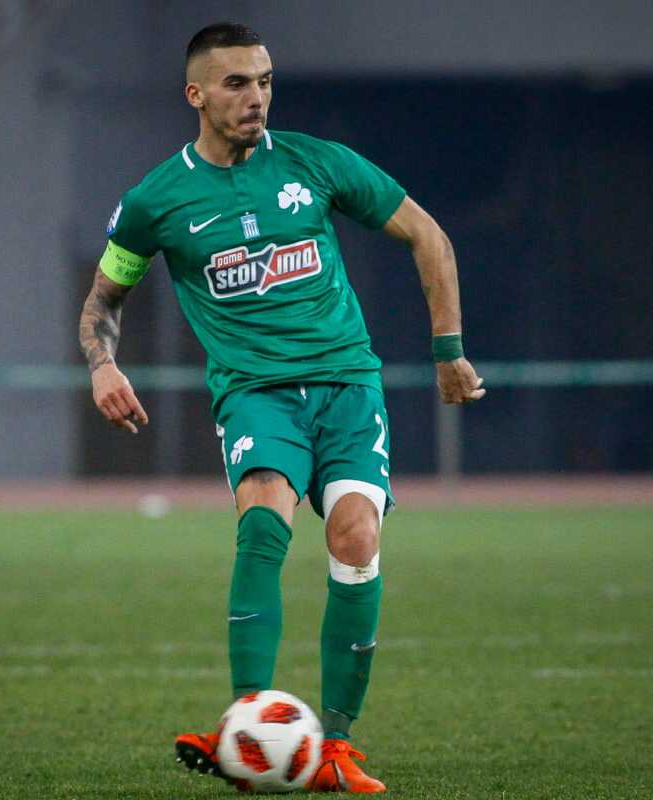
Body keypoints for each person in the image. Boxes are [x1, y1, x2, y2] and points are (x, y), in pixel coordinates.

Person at [78, 22, 485, 793]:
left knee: (356, 535)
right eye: (237, 83)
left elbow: (427, 235)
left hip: (346, 383)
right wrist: (102, 366)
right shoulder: (155, 201)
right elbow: (103, 301)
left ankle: (335, 745)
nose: (256, 97)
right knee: (264, 522)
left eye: (264, 81)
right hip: (256, 392)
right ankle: (245, 726)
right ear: (196, 94)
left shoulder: (314, 162)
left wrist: (448, 349)